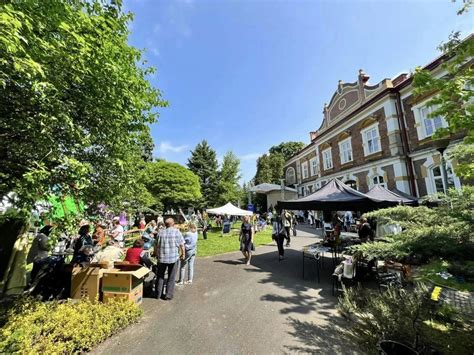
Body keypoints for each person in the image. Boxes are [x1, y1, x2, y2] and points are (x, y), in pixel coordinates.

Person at [154, 218, 185, 300]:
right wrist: (183, 254)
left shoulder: (160, 233)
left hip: (161, 258)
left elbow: (156, 245)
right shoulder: (177, 232)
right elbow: (182, 244)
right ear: (173, 223)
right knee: (171, 277)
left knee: (160, 276)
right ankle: (168, 295)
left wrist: (155, 253)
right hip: (173, 258)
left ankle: (158, 294)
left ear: (165, 224)